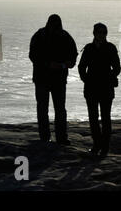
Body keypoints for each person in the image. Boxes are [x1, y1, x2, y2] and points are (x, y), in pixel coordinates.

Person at [29, 14, 78, 145]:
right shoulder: (44, 36)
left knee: (54, 109)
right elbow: (33, 55)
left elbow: (73, 54)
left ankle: (54, 137)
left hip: (54, 79)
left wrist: (69, 62)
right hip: (45, 79)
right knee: (50, 109)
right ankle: (51, 137)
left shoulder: (46, 35)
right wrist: (48, 64)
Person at [78, 22, 121, 157]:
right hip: (91, 88)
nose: (101, 35)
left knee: (106, 118)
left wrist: (109, 77)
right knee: (93, 118)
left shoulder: (110, 48)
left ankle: (105, 147)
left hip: (106, 88)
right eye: (99, 32)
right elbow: (81, 67)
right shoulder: (89, 48)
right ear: (94, 33)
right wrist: (87, 80)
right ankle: (97, 144)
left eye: (103, 32)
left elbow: (117, 68)